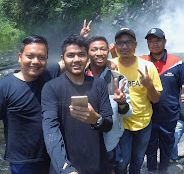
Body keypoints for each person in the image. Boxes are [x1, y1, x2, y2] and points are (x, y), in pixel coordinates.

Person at [0, 36, 60, 174]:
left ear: (47, 59)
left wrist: (81, 39)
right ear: (20, 57)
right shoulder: (5, 86)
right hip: (23, 162)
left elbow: (71, 59)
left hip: (54, 156)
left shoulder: (48, 75)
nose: (35, 61)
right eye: (30, 56)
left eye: (41, 57)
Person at [41, 34, 113, 174]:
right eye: (71, 55)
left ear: (87, 58)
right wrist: (65, 167)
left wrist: (96, 119)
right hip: (65, 165)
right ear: (63, 59)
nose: (76, 59)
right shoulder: (51, 88)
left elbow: (108, 125)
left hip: (97, 163)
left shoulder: (99, 85)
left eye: (81, 54)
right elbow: (51, 130)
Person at [111, 28, 163, 174]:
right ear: (115, 46)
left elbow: (156, 99)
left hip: (144, 123)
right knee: (122, 162)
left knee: (138, 159)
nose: (125, 46)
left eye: (129, 42)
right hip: (122, 124)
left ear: (135, 45)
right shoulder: (110, 66)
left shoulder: (147, 67)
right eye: (120, 43)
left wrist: (149, 85)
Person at [141, 28, 184, 174]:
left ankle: (163, 169)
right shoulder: (142, 61)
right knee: (149, 144)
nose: (154, 44)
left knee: (167, 144)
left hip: (169, 113)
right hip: (147, 113)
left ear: (165, 41)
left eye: (158, 40)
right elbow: (122, 66)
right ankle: (151, 169)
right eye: (151, 41)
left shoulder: (176, 63)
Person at [86, 36, 133, 173]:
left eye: (103, 49)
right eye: (94, 49)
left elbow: (128, 113)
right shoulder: (79, 76)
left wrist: (122, 102)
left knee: (111, 168)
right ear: (87, 52)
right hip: (85, 139)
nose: (99, 53)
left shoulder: (117, 78)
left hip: (110, 140)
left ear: (108, 52)